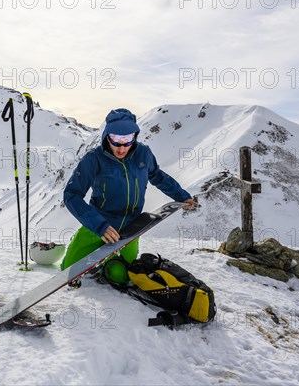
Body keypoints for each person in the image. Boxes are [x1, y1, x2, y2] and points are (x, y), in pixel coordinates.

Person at [62, 108, 198, 284]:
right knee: (68, 272)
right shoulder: (94, 158)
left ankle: (106, 262)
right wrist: (99, 225)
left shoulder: (144, 154)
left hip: (130, 228)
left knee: (121, 276)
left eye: (127, 140)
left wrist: (182, 196)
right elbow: (71, 194)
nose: (121, 147)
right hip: (99, 224)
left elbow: (158, 176)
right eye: (116, 140)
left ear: (134, 136)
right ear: (107, 136)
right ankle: (87, 248)